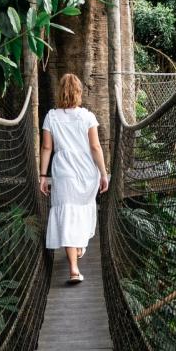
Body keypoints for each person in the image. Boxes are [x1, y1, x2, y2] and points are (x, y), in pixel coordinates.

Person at [39, 73, 109, 283]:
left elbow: (46, 147)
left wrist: (43, 175)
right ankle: (74, 265)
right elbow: (95, 147)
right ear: (79, 92)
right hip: (87, 171)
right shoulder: (87, 116)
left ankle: (74, 264)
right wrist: (104, 173)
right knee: (81, 209)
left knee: (68, 213)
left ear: (61, 92)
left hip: (64, 172)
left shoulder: (51, 116)